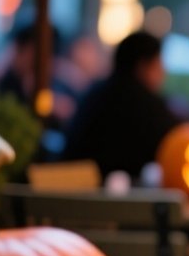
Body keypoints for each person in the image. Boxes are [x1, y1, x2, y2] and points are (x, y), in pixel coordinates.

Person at [62, 31, 182, 179]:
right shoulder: (146, 104)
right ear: (143, 66)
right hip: (114, 195)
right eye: (159, 65)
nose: (163, 72)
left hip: (70, 185)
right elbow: (176, 143)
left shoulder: (94, 93)